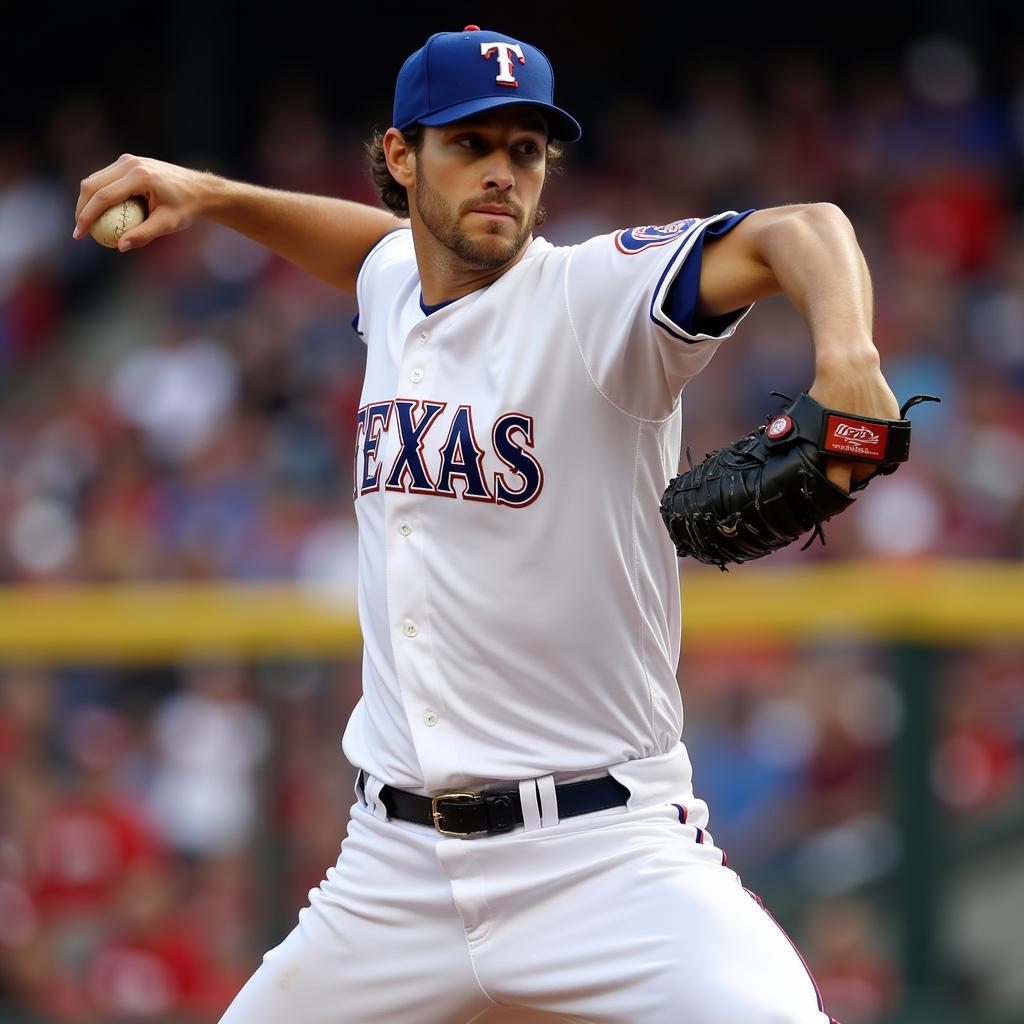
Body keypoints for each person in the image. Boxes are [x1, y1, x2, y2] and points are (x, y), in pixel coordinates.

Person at [74, 25, 897, 1024]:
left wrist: (846, 356)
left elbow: (799, 228)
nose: (503, 173)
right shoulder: (393, 284)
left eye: (525, 149)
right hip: (393, 872)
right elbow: (372, 250)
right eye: (470, 145)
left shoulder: (597, 297)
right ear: (400, 156)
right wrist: (212, 195)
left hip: (603, 854)